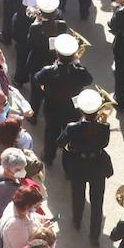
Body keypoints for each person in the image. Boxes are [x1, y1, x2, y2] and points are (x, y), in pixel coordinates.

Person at [58, 88, 113, 246]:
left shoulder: (72, 127)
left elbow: (60, 143)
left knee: (78, 194)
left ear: (81, 109)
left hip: (78, 165)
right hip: (98, 165)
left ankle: (77, 220)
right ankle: (94, 237)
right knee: (97, 203)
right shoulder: (104, 127)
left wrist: (72, 146)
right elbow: (104, 144)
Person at [34, 33, 93, 167]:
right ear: (74, 55)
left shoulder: (48, 71)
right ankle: (68, 166)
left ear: (57, 54)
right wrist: (77, 63)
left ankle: (49, 156)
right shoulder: (79, 70)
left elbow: (37, 79)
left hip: (52, 106)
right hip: (72, 108)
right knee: (70, 136)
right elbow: (89, 80)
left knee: (51, 132)